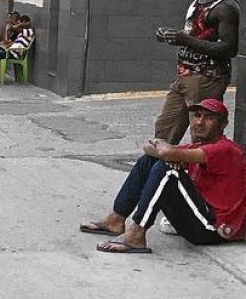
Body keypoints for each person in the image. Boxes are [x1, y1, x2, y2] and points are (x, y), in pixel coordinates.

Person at [81, 99, 246, 253]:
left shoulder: (225, 149)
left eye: (209, 118)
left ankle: (136, 234)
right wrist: (166, 152)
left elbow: (166, 152)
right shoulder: (199, 146)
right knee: (149, 161)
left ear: (223, 124)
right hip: (198, 216)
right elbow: (148, 148)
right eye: (197, 116)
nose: (199, 122)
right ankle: (115, 220)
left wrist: (167, 153)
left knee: (168, 169)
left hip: (212, 229)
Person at [154, 0, 240, 144]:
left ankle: (201, 174)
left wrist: (184, 40)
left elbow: (229, 49)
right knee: (163, 131)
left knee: (202, 136)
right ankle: (163, 171)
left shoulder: (225, 7)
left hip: (207, 78)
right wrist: (171, 35)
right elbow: (193, 35)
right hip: (184, 76)